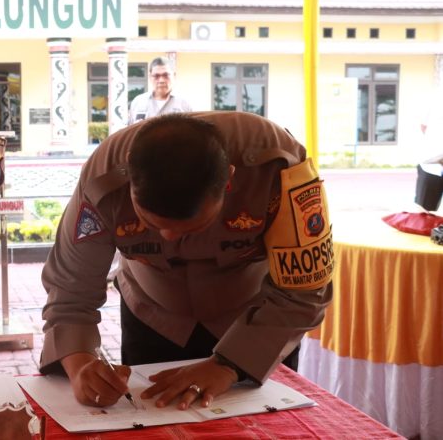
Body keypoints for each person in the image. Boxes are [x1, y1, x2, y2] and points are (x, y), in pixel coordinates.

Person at [40, 111, 333, 410]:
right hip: (153, 315)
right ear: (129, 175)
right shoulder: (103, 179)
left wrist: (231, 365)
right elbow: (70, 290)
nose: (168, 238)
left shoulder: (279, 168)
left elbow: (305, 289)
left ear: (229, 180)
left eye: (192, 227)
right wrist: (80, 365)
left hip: (260, 321)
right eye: (150, 222)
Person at [127, 56, 192, 125]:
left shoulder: (185, 104)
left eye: (166, 75)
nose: (161, 80)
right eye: (156, 76)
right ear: (150, 77)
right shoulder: (138, 102)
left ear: (174, 76)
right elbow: (131, 132)